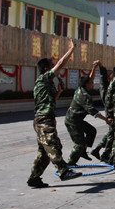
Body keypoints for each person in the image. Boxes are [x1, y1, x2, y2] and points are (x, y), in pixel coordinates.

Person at [27, 39, 82, 188]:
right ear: (46, 69)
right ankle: (63, 171)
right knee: (53, 145)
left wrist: (59, 91)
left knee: (44, 152)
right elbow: (61, 64)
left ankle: (34, 178)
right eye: (52, 65)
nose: (54, 67)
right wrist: (72, 49)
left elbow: (50, 101)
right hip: (43, 120)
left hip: (46, 118)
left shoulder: (46, 84)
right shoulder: (43, 79)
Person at [64, 73, 111, 166]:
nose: (92, 84)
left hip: (78, 120)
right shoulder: (84, 96)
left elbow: (89, 78)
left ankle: (83, 151)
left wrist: (94, 69)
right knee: (79, 144)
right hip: (72, 122)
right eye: (91, 83)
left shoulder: (80, 89)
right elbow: (93, 111)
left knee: (91, 131)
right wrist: (106, 119)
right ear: (86, 84)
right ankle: (70, 163)